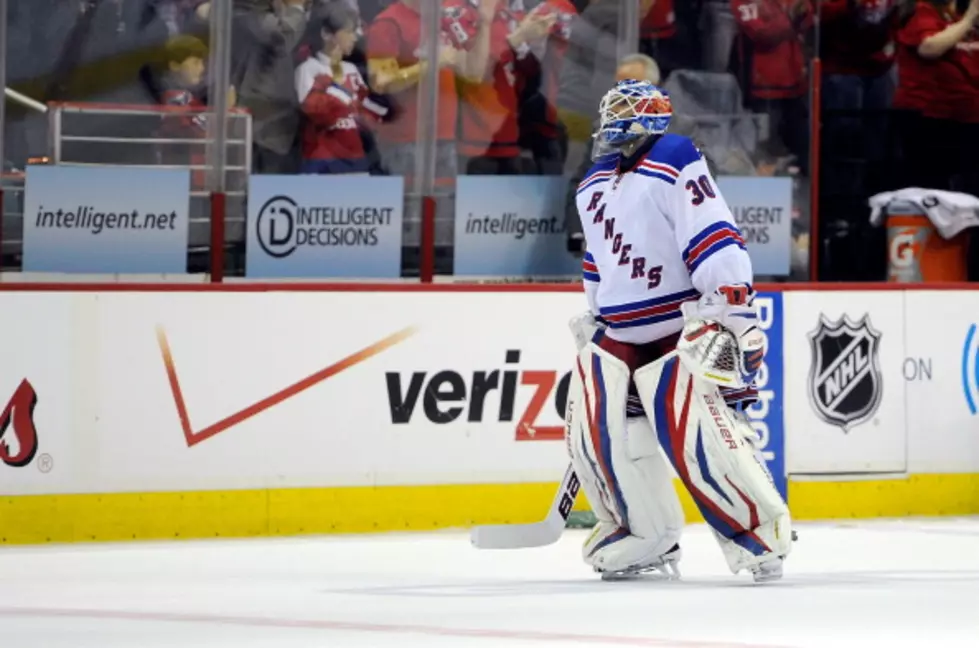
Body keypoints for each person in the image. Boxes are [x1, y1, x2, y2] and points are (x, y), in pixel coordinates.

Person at [565, 79, 793, 581]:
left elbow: (711, 232)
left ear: (652, 114)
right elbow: (597, 258)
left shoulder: (674, 156)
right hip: (619, 331)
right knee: (601, 436)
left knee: (701, 436)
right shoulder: (592, 181)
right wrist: (596, 313)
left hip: (677, 326)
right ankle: (641, 533)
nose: (615, 116)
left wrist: (734, 311)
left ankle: (758, 532)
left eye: (627, 107)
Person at [295, 2, 388, 174]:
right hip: (322, 162)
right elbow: (314, 110)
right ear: (326, 34)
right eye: (349, 31)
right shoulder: (309, 69)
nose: (355, 37)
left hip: (356, 159)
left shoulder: (352, 70)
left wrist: (380, 93)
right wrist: (337, 86)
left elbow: (369, 113)